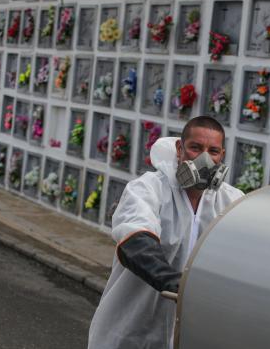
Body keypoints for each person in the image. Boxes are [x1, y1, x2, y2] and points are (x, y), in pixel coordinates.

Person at [88, 116, 244, 349]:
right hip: (130, 335)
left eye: (213, 151)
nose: (205, 159)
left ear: (221, 156)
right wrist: (178, 285)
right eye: (195, 148)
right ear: (179, 150)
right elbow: (136, 242)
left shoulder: (232, 201)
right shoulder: (147, 189)